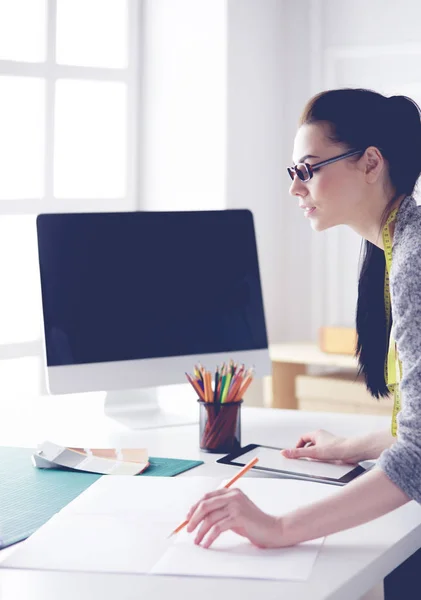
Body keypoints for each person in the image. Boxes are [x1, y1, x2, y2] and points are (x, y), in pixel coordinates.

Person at [184, 88, 421, 590]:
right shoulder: (399, 246)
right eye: (293, 172)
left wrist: (277, 528)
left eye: (307, 169)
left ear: (370, 163)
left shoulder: (413, 262)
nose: (295, 188)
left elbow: (420, 458)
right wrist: (348, 447)